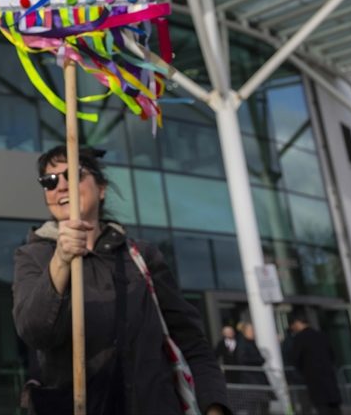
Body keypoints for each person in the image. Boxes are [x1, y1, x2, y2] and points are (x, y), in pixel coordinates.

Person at [12, 146, 230, 415]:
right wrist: (61, 260)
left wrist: (214, 405)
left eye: (74, 175)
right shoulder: (32, 255)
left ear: (101, 189)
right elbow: (33, 331)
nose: (62, 186)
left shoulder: (141, 256)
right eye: (50, 181)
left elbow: (191, 340)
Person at [287, 310, 342, 415]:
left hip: (315, 381)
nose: (292, 328)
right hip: (330, 381)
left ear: (297, 323)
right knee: (335, 409)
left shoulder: (300, 338)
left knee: (323, 409)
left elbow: (294, 359)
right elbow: (332, 355)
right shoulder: (321, 335)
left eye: (292, 325)